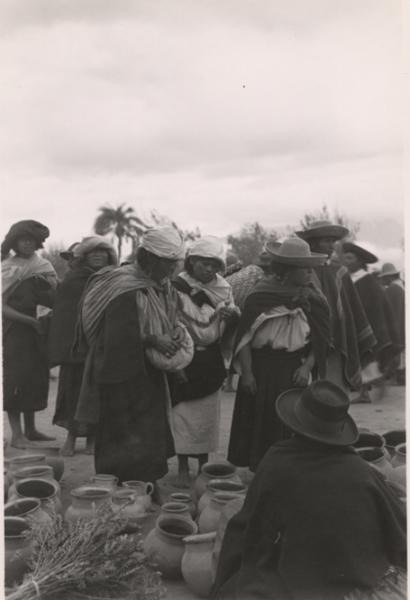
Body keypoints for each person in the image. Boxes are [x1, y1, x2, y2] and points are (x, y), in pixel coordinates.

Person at [213, 380, 407, 600]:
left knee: (234, 519)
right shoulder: (361, 470)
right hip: (356, 580)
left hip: (297, 584)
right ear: (338, 430)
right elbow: (397, 527)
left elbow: (255, 527)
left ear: (296, 423)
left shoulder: (277, 460)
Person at [75, 227, 189, 499]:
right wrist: (152, 340)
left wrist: (173, 334)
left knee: (150, 430)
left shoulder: (162, 286)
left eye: (175, 262)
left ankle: (148, 483)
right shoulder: (122, 286)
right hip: (118, 372)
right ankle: (114, 486)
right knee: (119, 429)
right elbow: (116, 336)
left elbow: (169, 318)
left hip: (147, 371)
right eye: (168, 262)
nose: (173, 267)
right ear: (150, 258)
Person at [227, 238, 331, 472]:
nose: (309, 274)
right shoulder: (260, 297)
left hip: (293, 370)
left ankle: (287, 472)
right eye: (305, 269)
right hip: (261, 369)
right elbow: (244, 338)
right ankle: (260, 471)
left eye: (310, 269)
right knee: (262, 421)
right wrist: (247, 374)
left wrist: (306, 368)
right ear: (288, 270)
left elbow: (321, 340)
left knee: (291, 421)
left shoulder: (314, 299)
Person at [168, 236, 240, 487]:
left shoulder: (224, 288)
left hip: (210, 358)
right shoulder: (176, 286)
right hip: (184, 355)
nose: (208, 269)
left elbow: (229, 322)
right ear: (191, 262)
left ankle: (202, 466)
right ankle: (183, 466)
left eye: (213, 264)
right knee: (181, 416)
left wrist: (231, 318)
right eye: (202, 263)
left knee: (206, 418)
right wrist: (176, 363)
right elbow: (170, 321)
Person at [48, 236, 118, 456]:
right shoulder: (72, 279)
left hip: (101, 344)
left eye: (102, 251)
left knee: (97, 392)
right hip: (76, 346)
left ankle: (92, 439)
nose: (98, 255)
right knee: (72, 390)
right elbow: (64, 313)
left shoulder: (113, 279)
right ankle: (70, 438)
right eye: (93, 252)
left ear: (109, 256)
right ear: (84, 256)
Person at [296, 220, 376, 391]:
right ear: (313, 242)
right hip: (302, 341)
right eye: (326, 241)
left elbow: (349, 310)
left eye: (334, 241)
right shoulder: (300, 270)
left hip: (336, 343)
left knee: (331, 394)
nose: (332, 245)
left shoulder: (339, 272)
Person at [2, 220, 57, 448]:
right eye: (23, 240)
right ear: (14, 242)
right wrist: (28, 321)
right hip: (16, 330)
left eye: (31, 240)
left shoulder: (43, 264)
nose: (27, 243)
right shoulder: (6, 266)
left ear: (37, 243)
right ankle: (16, 434)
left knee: (35, 378)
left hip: (39, 328)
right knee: (16, 378)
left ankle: (31, 429)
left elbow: (55, 292)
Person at [341, 243, 402, 402]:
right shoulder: (348, 278)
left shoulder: (367, 281)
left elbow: (375, 308)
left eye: (350, 258)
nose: (346, 261)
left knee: (366, 358)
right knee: (359, 359)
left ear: (360, 261)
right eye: (345, 257)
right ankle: (368, 388)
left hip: (367, 325)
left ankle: (366, 392)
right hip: (353, 324)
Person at [379, 263, 405, 385]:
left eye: (384, 277)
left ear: (390, 277)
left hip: (398, 328)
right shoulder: (402, 287)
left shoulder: (392, 290)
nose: (382, 280)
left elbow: (392, 314)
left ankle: (396, 375)